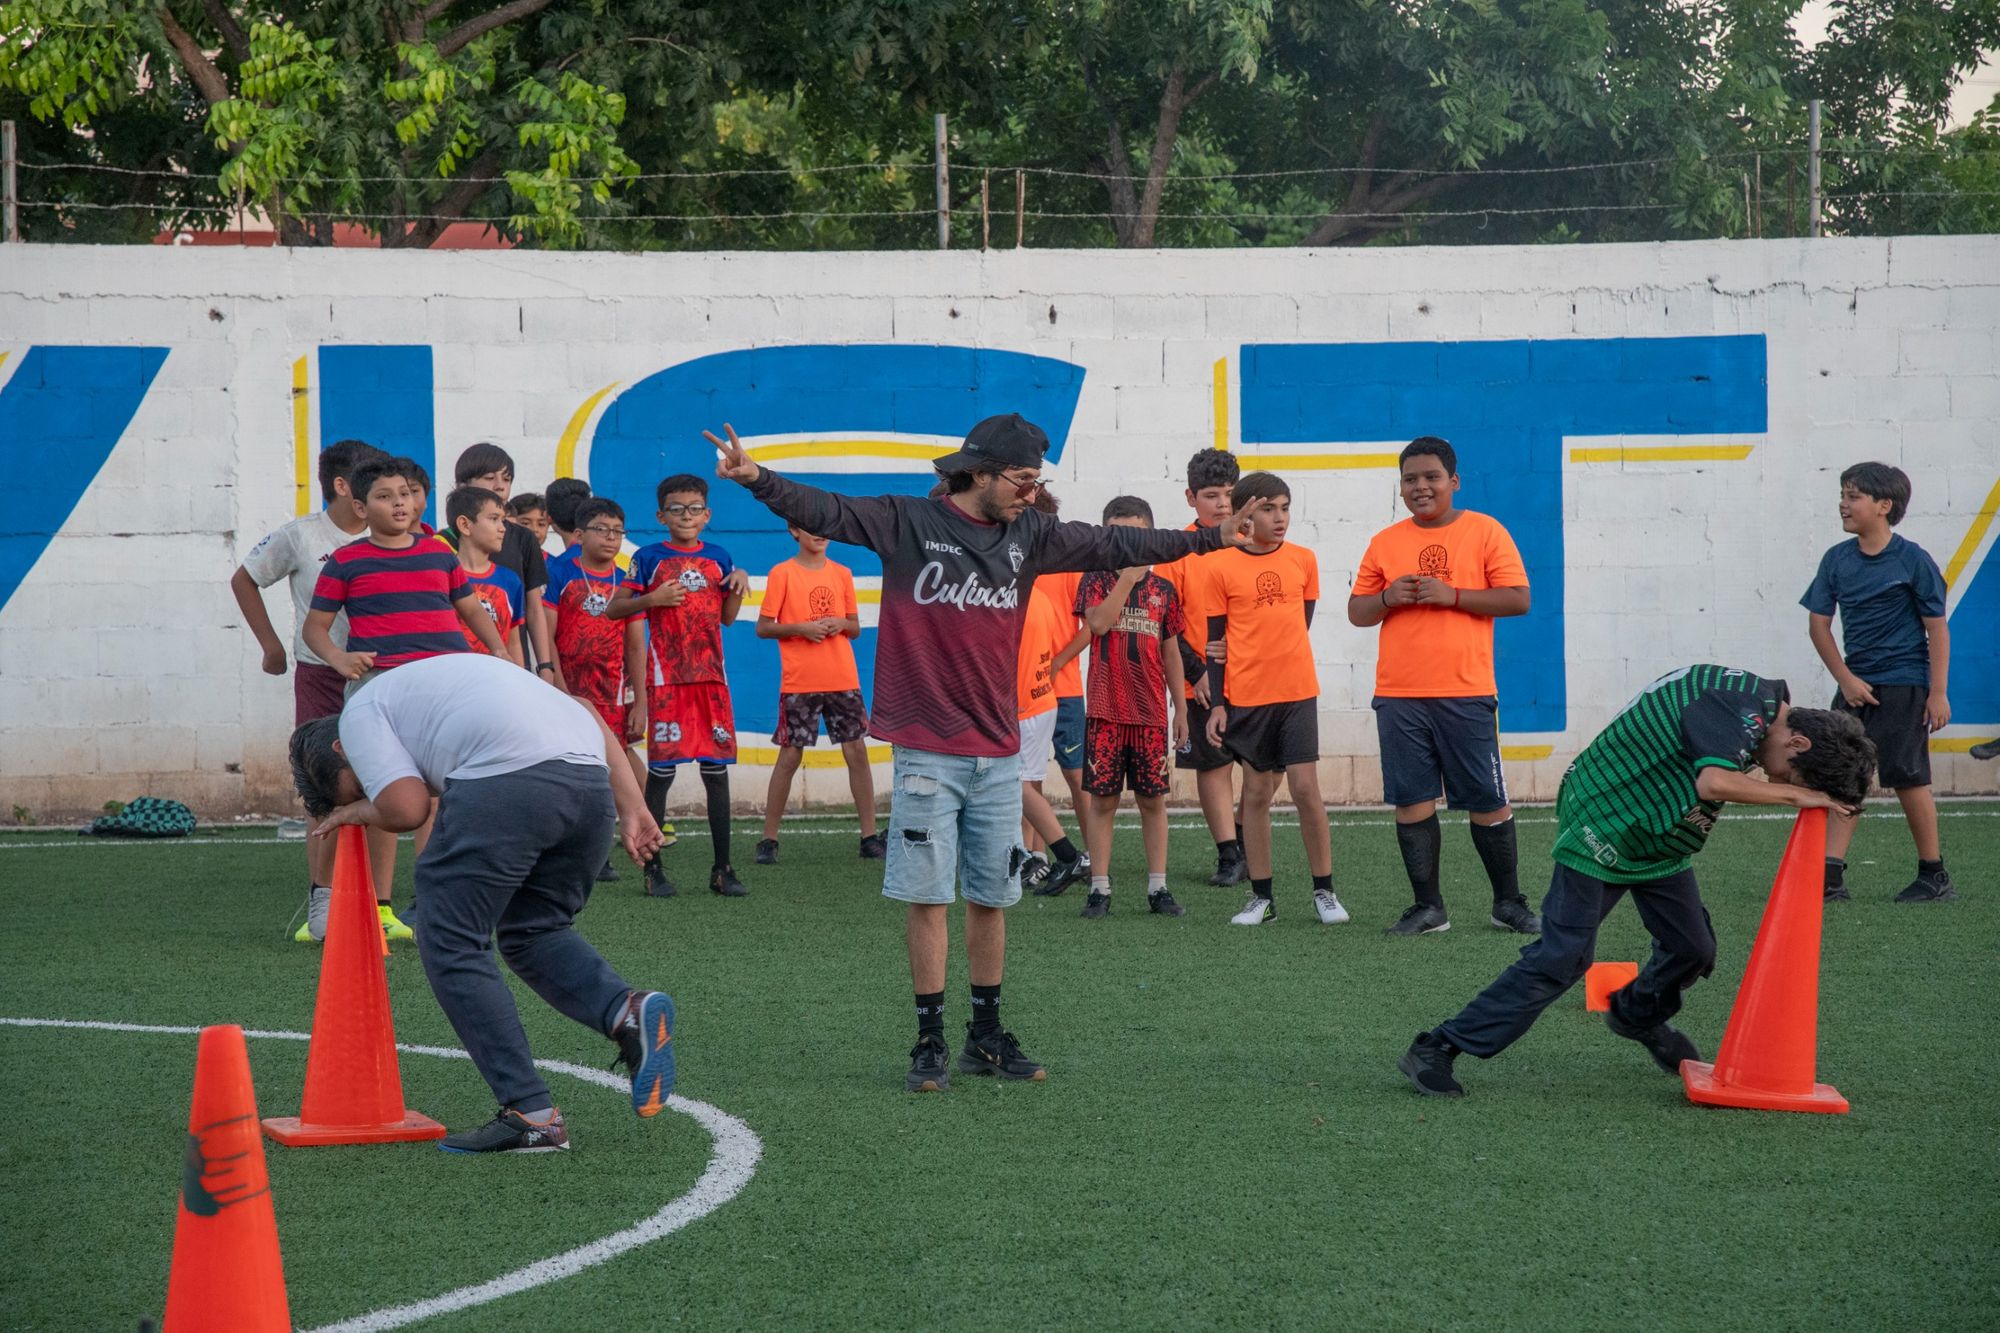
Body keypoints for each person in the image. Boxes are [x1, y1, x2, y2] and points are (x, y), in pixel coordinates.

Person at [709, 412, 1267, 1093]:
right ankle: (929, 1039)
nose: (1032, 493)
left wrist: (1210, 535)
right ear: (978, 471)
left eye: (1038, 480)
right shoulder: (907, 522)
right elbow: (825, 506)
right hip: (927, 751)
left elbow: (1113, 540)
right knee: (927, 897)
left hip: (999, 748)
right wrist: (754, 477)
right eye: (1022, 479)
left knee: (992, 895)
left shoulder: (1030, 533)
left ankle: (985, 1035)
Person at [1398, 665, 1877, 1098]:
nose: (1779, 780)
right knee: (1563, 956)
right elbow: (1713, 783)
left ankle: (1635, 1014)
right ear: (1798, 743)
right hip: (1604, 823)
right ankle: (1438, 1046)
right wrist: (1798, 795)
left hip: (1657, 835)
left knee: (1693, 948)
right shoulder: (1736, 703)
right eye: (1793, 773)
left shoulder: (1754, 709)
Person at [287, 653, 674, 1153]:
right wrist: (633, 807)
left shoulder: (359, 711)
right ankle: (626, 1011)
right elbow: (585, 708)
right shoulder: (436, 687)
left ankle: (530, 1113)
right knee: (534, 931)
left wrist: (359, 809)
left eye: (362, 783)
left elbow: (405, 808)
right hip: (588, 788)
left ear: (342, 747)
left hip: (510, 783)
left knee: (449, 937)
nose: (372, 790)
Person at [1347, 437, 1540, 937]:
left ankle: (1508, 903)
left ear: (1454, 481)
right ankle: (1428, 908)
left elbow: (1518, 599)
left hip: (1466, 691)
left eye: (1431, 477)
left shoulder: (1484, 530)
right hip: (1399, 694)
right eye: (1410, 479)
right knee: (1412, 801)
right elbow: (1358, 612)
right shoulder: (1385, 542)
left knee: (1487, 800)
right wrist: (1388, 596)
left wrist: (1452, 594)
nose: (1421, 487)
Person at [230, 437, 397, 943]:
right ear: (345, 486)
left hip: (382, 675)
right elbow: (244, 579)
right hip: (321, 676)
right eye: (374, 483)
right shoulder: (302, 537)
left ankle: (383, 906)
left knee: (387, 779)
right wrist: (271, 647)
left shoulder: (394, 536)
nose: (391, 497)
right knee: (325, 787)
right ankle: (321, 902)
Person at [1803, 462, 1956, 904]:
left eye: (1853, 496)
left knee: (1908, 777)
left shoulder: (1913, 560)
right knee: (1840, 775)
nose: (1843, 504)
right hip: (1855, 686)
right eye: (1843, 494)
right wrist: (1845, 679)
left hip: (1904, 686)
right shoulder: (1836, 559)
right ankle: (1830, 878)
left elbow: (1937, 628)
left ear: (1883, 506)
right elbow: (1818, 625)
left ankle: (1934, 875)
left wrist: (1937, 691)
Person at [1199, 472, 1346, 928]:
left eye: (1284, 507)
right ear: (1244, 514)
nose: (1279, 517)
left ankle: (1325, 891)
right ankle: (1262, 898)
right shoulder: (1219, 566)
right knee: (1257, 793)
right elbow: (1216, 642)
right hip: (1248, 699)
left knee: (1306, 789)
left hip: (1298, 693)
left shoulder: (1304, 560)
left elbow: (1298, 624)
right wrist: (1220, 702)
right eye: (1268, 508)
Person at [607, 474, 751, 899]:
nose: (685, 516)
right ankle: (653, 870)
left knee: (716, 774)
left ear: (706, 515)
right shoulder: (648, 559)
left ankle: (723, 869)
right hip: (667, 681)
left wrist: (740, 582)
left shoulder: (720, 558)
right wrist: (650, 600)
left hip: (711, 681)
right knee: (662, 775)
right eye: (676, 509)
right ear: (660, 515)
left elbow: (726, 617)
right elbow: (616, 608)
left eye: (693, 509)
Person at [1071, 496, 1189, 919]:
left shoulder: (1165, 591)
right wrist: (1125, 578)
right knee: (1102, 802)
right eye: (1119, 537)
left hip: (1151, 712)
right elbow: (1098, 624)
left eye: (1137, 536)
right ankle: (1099, 888)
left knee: (1152, 801)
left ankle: (1158, 888)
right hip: (1104, 711)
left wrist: (1181, 707)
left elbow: (1171, 652)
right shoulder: (1095, 580)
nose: (1129, 545)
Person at [753, 524, 882, 864]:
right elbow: (764, 627)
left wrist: (841, 623)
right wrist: (801, 629)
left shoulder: (842, 573)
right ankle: (769, 839)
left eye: (824, 527)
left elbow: (854, 627)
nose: (819, 533)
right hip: (800, 681)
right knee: (790, 756)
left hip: (843, 677)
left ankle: (869, 836)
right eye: (810, 527)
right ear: (794, 531)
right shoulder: (782, 573)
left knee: (856, 751)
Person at [1159, 447, 1246, 886]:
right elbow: (1166, 623)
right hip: (1203, 681)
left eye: (1230, 494)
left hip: (1255, 677)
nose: (1223, 504)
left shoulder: (1254, 544)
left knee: (1264, 768)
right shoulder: (1178, 551)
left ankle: (1247, 839)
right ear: (1191, 497)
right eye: (1212, 495)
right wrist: (1196, 674)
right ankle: (1229, 854)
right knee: (1214, 766)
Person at [447, 444, 554, 682]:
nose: (500, 485)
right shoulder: (442, 544)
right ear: (463, 484)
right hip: (458, 670)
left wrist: (545, 666)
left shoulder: (522, 537)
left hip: (509, 664)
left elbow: (533, 609)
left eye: (506, 479)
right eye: (489, 478)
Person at [1017, 570, 1091, 899]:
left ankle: (1092, 858)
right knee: (1027, 780)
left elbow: (1093, 625)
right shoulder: (1016, 567)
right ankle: (1036, 857)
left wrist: (1059, 662)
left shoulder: (1070, 568)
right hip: (1027, 694)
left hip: (1062, 689)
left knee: (1076, 776)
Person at [448, 486, 526, 666]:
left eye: (503, 520)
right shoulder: (444, 575)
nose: (503, 529)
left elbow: (514, 641)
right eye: (494, 519)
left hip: (497, 681)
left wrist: (521, 681)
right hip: (455, 678)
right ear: (465, 525)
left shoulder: (510, 580)